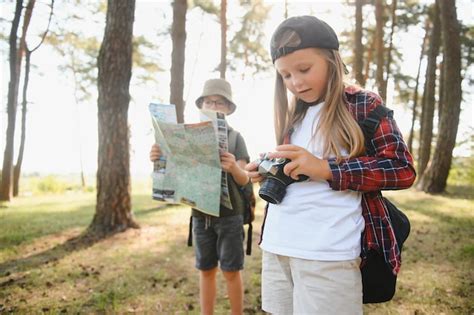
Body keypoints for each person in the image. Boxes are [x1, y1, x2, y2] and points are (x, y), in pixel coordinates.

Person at [245, 16, 416, 314]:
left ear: (331, 60)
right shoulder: (294, 114)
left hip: (328, 253)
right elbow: (300, 168)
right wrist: (266, 168)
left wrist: (327, 169)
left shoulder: (363, 105)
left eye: (304, 69)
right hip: (276, 246)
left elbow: (401, 168)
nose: (295, 82)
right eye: (285, 76)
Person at [150, 78, 250, 315]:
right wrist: (159, 156)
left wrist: (234, 167)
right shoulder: (188, 135)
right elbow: (176, 169)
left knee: (231, 271)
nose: (213, 106)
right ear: (201, 104)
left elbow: (245, 178)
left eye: (219, 102)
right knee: (205, 270)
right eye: (208, 101)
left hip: (230, 215)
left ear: (228, 108)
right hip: (200, 214)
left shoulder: (236, 137)